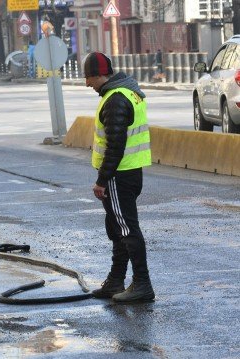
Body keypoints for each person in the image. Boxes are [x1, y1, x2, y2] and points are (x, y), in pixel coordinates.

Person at [83, 52, 155, 303]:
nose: (87, 84)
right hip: (130, 172)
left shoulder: (115, 99)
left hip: (118, 175)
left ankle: (142, 284)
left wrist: (102, 181)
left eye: (89, 77)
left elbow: (115, 145)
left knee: (126, 228)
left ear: (99, 75)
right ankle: (116, 281)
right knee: (117, 228)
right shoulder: (129, 92)